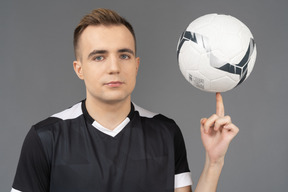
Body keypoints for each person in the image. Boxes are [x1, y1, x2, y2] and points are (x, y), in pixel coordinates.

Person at [11, 8, 239, 192]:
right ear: (79, 69)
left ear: (136, 65)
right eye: (99, 57)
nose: (114, 67)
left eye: (124, 55)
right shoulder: (45, 138)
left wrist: (214, 161)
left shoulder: (166, 132)